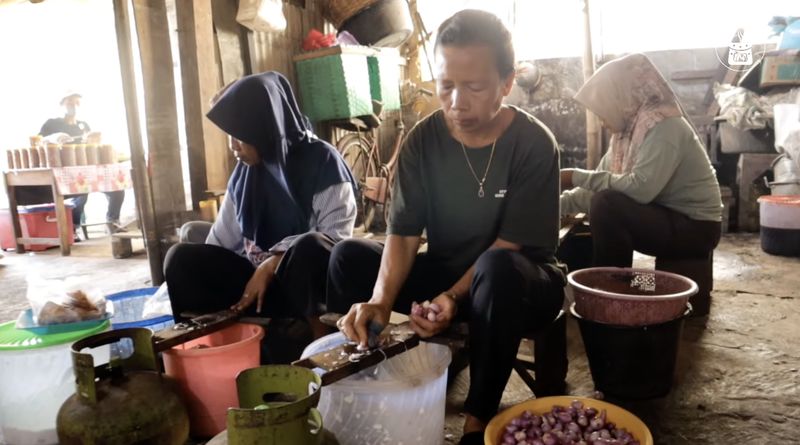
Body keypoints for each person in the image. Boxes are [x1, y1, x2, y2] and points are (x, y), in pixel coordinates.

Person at [326, 10, 565, 444]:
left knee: (496, 271)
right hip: (448, 271)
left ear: (507, 84)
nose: (457, 101)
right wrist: (381, 300)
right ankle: (373, 380)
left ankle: (477, 424)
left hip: (521, 281)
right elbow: (403, 233)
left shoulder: (533, 144)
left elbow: (509, 246)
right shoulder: (422, 141)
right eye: (446, 85)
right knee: (347, 257)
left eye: (474, 87)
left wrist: (452, 298)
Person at [164, 72, 358, 343]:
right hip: (254, 292)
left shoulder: (323, 161)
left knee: (311, 246)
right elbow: (219, 242)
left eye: (240, 136)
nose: (232, 146)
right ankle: (203, 346)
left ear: (265, 126)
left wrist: (272, 262)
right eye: (229, 136)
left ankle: (317, 344)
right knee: (181, 258)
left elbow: (336, 239)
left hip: (302, 292)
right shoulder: (245, 173)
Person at [560, 53, 722, 268]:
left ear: (620, 99)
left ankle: (612, 285)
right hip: (669, 217)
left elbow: (641, 190)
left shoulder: (663, 126)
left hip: (697, 227)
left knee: (607, 205)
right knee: (602, 199)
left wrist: (574, 176)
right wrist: (551, 207)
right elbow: (592, 189)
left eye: (602, 110)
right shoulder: (626, 135)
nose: (601, 122)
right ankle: (612, 282)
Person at [15, 92, 126, 237]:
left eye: (77, 103)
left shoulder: (83, 125)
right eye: (70, 103)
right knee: (80, 193)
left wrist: (93, 141)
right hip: (63, 173)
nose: (74, 106)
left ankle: (112, 222)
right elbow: (38, 142)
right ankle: (72, 228)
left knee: (116, 188)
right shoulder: (52, 123)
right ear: (62, 105)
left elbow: (89, 146)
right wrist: (55, 139)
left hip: (85, 170)